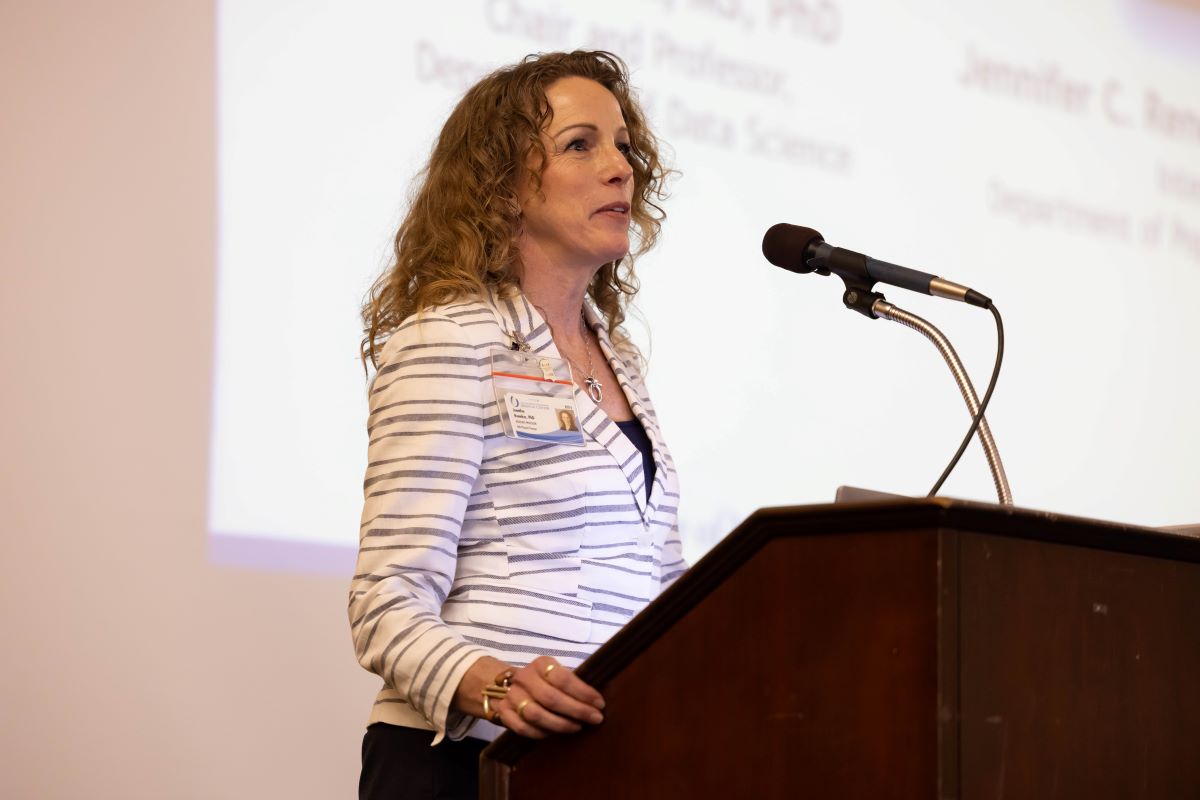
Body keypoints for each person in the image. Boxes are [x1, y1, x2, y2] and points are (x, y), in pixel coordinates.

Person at [350, 50, 685, 800]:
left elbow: (662, 587)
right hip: (461, 767)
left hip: (598, 765)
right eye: (580, 144)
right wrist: (493, 684)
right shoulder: (449, 342)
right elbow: (384, 600)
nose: (620, 168)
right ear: (501, 187)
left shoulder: (620, 361)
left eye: (624, 146)